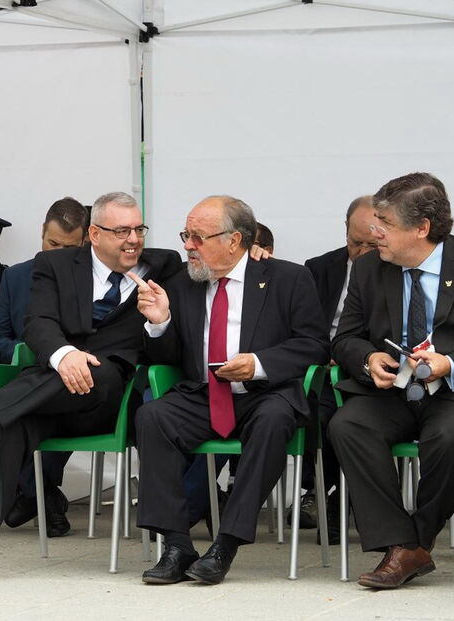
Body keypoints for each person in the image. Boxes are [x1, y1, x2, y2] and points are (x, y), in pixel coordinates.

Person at [0, 191, 182, 582]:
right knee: (11, 423)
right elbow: (38, 323)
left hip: (111, 403)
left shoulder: (164, 266)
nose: (133, 239)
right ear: (94, 235)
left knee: (102, 370)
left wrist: (158, 321)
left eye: (138, 229)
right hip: (52, 398)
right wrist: (65, 354)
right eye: (121, 231)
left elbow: (174, 341)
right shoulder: (55, 265)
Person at [132, 195, 328, 585]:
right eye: (186, 235)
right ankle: (175, 545)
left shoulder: (286, 278)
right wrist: (160, 323)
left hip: (265, 395)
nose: (188, 245)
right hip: (204, 395)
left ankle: (226, 543)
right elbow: (166, 355)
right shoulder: (183, 282)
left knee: (274, 418)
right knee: (152, 415)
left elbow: (315, 344)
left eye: (198, 237)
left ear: (235, 240)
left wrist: (258, 364)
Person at [329, 172, 454, 589]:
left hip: (452, 394)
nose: (375, 234)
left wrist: (450, 363)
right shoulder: (369, 268)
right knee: (347, 425)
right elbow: (343, 338)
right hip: (390, 391)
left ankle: (415, 543)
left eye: (384, 224)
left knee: (452, 436)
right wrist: (368, 357)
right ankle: (401, 543)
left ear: (421, 228)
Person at [0, 196, 87, 537]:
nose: (57, 253)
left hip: (71, 388)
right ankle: (43, 495)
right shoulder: (17, 276)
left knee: (55, 405)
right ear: (41, 232)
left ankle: (32, 494)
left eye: (68, 247)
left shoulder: (94, 279)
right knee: (5, 413)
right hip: (22, 382)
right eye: (52, 243)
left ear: (85, 242)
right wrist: (25, 351)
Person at [300, 195, 379, 542]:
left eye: (371, 245)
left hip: (371, 369)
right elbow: (304, 327)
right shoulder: (318, 268)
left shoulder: (394, 271)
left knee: (348, 421)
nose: (362, 252)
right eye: (355, 243)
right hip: (325, 365)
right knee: (317, 413)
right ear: (344, 230)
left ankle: (341, 500)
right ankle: (327, 492)